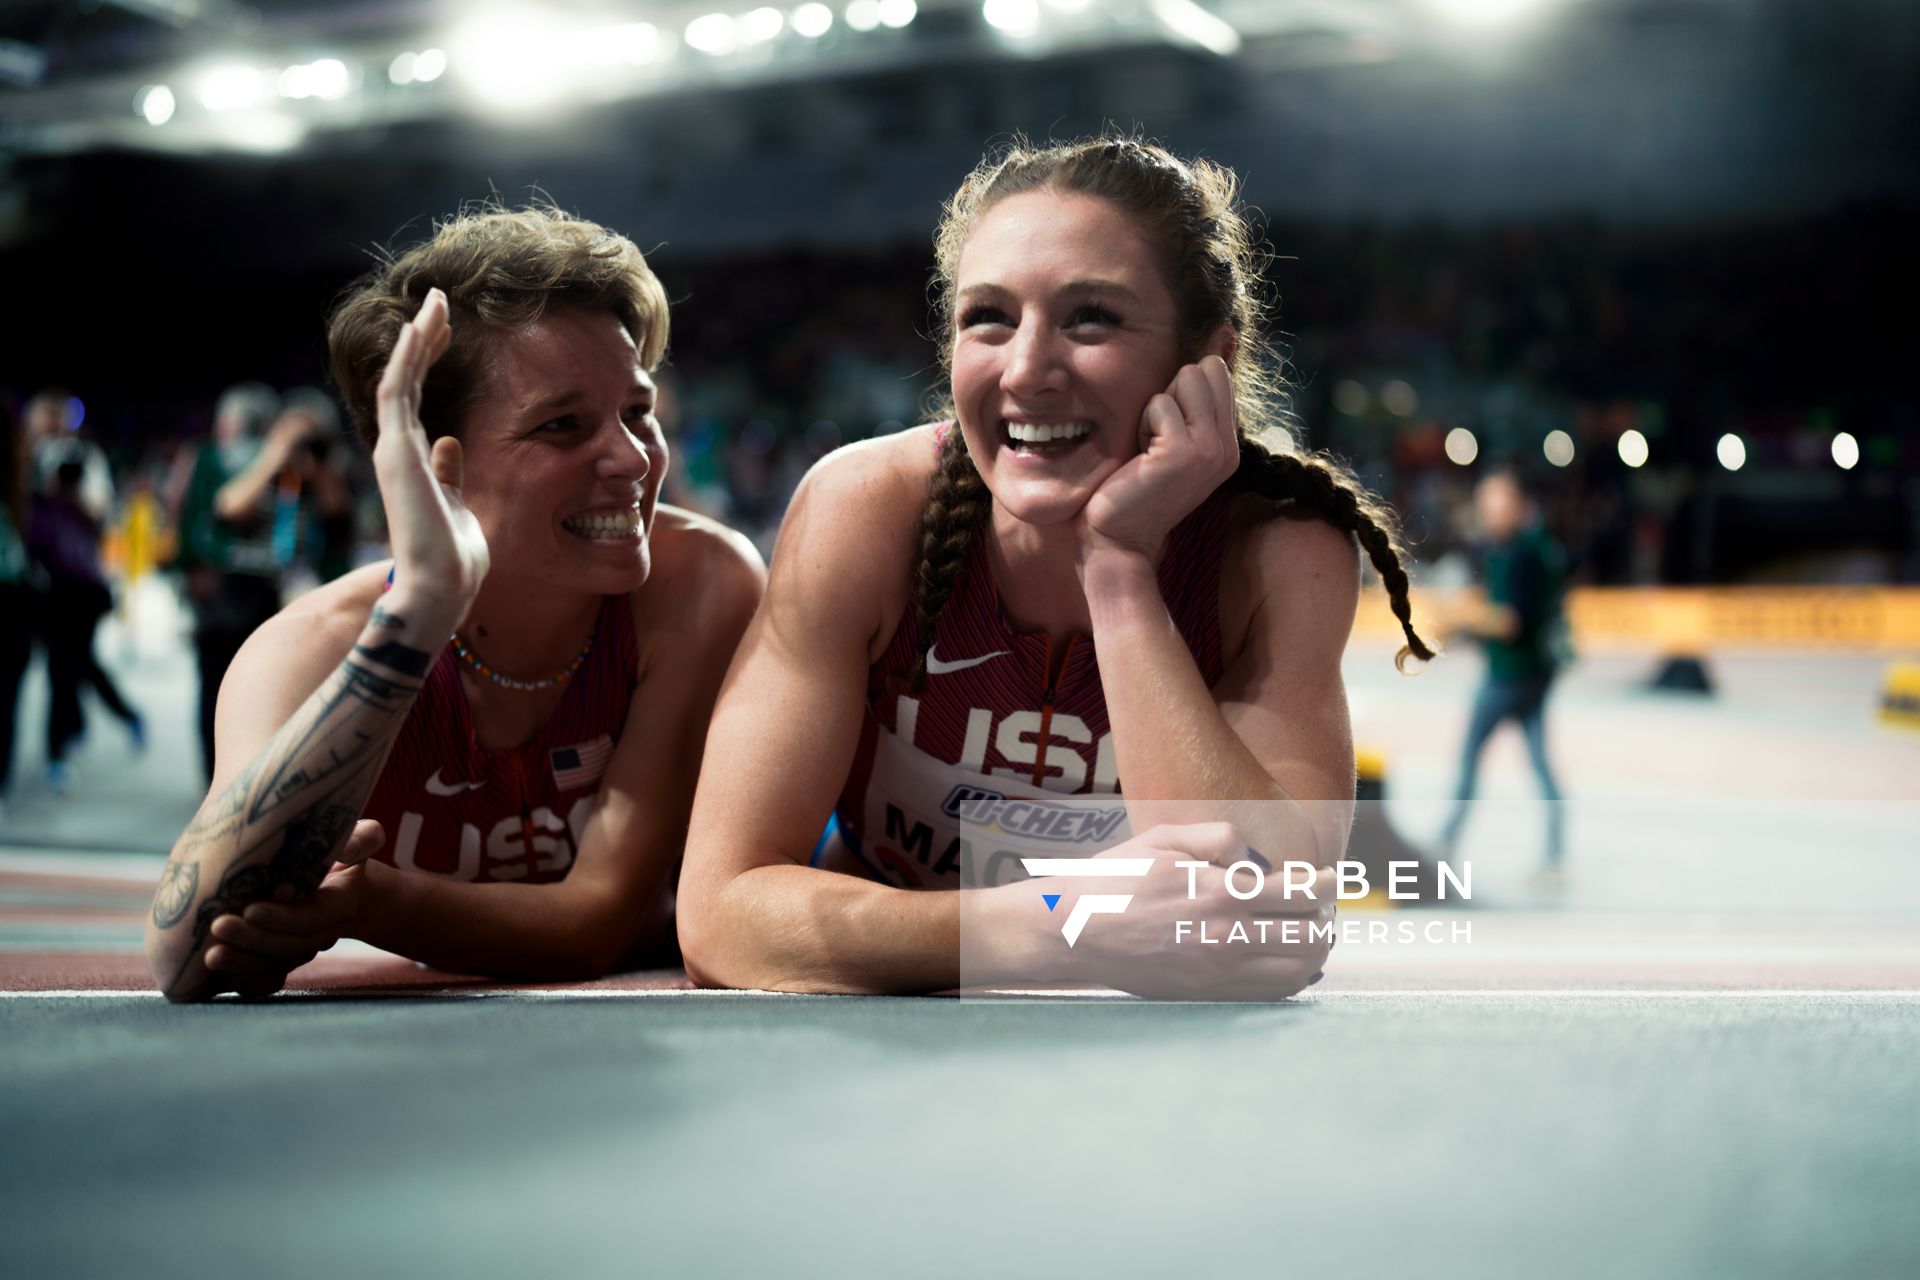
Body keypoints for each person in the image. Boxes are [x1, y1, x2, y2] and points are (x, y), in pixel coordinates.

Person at [677, 136, 1432, 999]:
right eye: (988, 318)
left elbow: (1272, 920)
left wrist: (1119, 574)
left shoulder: (1276, 550)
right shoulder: (866, 510)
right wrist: (1062, 925)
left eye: (1091, 318)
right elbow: (721, 917)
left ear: (1206, 363)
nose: (1028, 370)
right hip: (886, 1044)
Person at [145, 206, 764, 1002]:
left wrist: (369, 902)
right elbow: (184, 955)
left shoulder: (698, 583)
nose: (633, 457)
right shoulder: (311, 649)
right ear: (438, 468)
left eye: (638, 412)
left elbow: (597, 920)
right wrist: (417, 618)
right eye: (564, 425)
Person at [1437, 466, 1568, 884]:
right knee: (1540, 763)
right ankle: (1555, 854)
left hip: (1511, 675)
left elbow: (1510, 621)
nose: (1491, 512)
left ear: (1518, 505)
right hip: (1534, 675)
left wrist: (1462, 624)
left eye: (1498, 503)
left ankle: (1445, 842)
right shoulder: (1525, 547)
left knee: (1470, 756)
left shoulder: (1522, 553)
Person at [175, 382, 286, 783]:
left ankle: (244, 779)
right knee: (216, 688)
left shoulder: (281, 462)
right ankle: (215, 781)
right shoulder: (209, 458)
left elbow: (288, 528)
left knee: (257, 691)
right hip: (221, 589)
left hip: (259, 589)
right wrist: (189, 570)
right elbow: (206, 513)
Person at [27, 457, 146, 792]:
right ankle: (114, 720)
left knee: (69, 673)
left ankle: (62, 748)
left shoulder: (64, 511)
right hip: (71, 601)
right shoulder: (65, 511)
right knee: (77, 670)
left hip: (74, 601)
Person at [0, 401, 33, 815]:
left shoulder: (21, 486)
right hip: (12, 599)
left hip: (12, 599)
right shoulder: (20, 483)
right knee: (7, 695)